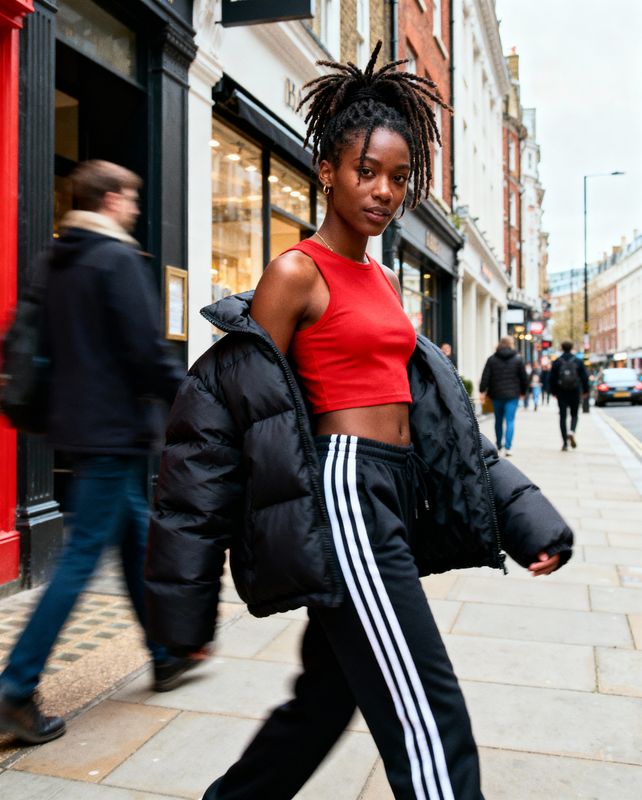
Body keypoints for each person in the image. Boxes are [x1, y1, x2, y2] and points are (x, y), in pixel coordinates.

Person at [145, 43, 573, 800]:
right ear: (328, 171)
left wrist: (525, 517)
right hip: (345, 491)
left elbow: (439, 419)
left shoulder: (379, 279)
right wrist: (185, 593)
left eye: (399, 178)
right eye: (365, 171)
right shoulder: (295, 272)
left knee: (328, 698)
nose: (382, 191)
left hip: (392, 492)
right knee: (426, 713)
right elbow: (220, 421)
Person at [0, 160, 192, 746]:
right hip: (113, 431)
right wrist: (191, 397)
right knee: (81, 560)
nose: (135, 209)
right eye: (131, 198)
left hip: (78, 430)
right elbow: (145, 351)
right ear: (110, 199)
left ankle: (162, 652)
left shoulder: (55, 258)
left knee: (135, 536)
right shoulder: (114, 258)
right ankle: (14, 688)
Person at [479, 336, 528, 456]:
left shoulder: (492, 359)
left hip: (496, 394)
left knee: (498, 420)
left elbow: (486, 376)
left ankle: (499, 444)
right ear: (511, 344)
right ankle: (508, 447)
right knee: (510, 420)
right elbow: (524, 378)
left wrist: (482, 391)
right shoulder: (517, 359)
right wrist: (523, 392)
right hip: (512, 395)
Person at [550, 341, 590, 451]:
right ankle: (572, 431)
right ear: (572, 347)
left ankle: (564, 443)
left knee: (563, 417)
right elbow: (584, 377)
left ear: (562, 348)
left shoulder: (557, 361)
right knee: (574, 414)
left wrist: (553, 392)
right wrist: (586, 391)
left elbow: (552, 378)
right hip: (575, 391)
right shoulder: (578, 361)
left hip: (561, 392)